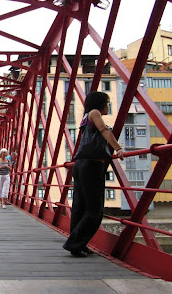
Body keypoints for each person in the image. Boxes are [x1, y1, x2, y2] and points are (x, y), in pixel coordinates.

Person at [62, 91, 124, 257]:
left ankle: (79, 244)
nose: (108, 105)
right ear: (100, 103)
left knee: (80, 207)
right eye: (107, 102)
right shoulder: (95, 113)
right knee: (95, 210)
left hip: (80, 164)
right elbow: (103, 130)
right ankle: (74, 243)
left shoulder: (85, 117)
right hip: (92, 164)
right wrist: (118, 148)